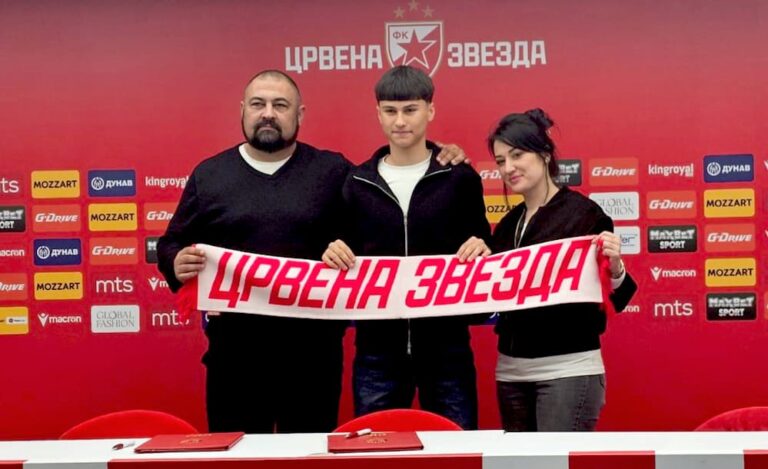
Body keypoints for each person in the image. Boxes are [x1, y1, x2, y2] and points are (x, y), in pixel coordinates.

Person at [157, 69, 471, 434]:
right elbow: (170, 244)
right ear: (243, 110)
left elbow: (388, 187)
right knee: (239, 456)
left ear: (300, 114)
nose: (268, 113)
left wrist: (440, 155)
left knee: (309, 455)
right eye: (258, 104)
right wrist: (175, 261)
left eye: (280, 105)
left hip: (313, 361)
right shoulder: (209, 174)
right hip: (234, 359)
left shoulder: (333, 171)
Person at [322, 65, 491, 430]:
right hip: (376, 352)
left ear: (430, 110)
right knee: (374, 449)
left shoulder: (460, 178)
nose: (400, 121)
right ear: (378, 114)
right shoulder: (356, 182)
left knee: (458, 449)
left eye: (410, 109)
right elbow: (338, 247)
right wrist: (331, 250)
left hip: (447, 349)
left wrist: (482, 246)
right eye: (390, 110)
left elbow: (485, 244)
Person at [480, 108, 637, 432]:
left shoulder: (584, 215)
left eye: (517, 155)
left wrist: (616, 266)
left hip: (568, 370)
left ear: (545, 153)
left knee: (556, 458)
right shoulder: (507, 225)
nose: (508, 168)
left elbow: (618, 297)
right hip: (510, 373)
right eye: (500, 161)